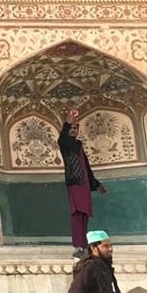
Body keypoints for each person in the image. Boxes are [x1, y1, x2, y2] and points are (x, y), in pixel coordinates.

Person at [59, 109, 109, 259]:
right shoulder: (66, 145)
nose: (74, 131)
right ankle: (78, 246)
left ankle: (84, 244)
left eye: (76, 128)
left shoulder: (78, 146)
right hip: (74, 183)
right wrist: (68, 122)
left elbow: (86, 167)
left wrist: (97, 184)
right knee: (77, 213)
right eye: (72, 129)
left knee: (85, 215)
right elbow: (62, 138)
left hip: (84, 184)